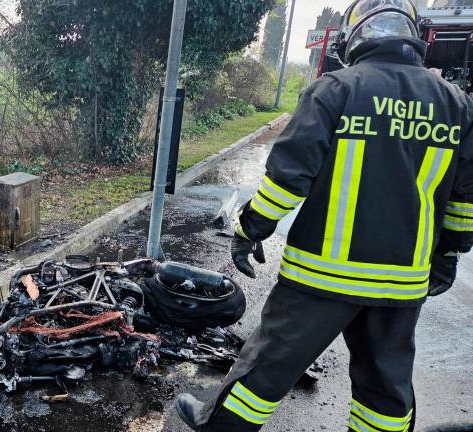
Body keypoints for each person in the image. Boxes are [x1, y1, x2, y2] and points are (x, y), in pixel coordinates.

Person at [175, 0, 473, 430]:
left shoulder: (335, 90)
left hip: (321, 277)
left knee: (267, 366)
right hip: (402, 281)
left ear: (354, 37)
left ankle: (218, 426)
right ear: (414, 35)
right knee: (385, 388)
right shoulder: (455, 104)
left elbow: (286, 179)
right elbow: (465, 198)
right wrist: (447, 255)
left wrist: (250, 230)